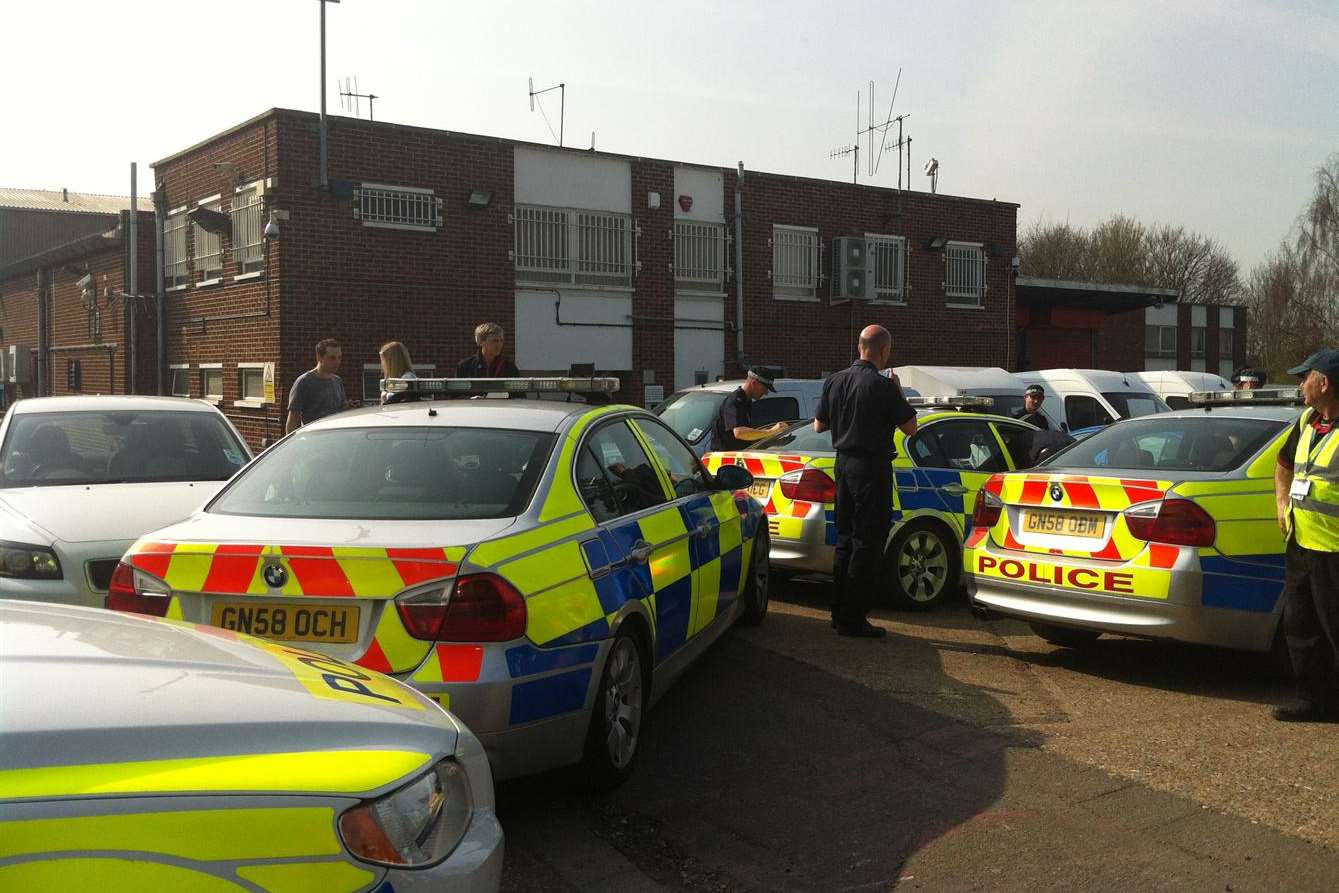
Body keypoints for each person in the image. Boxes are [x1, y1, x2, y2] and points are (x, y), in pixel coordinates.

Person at [814, 325, 918, 638]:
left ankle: (838, 612)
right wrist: (898, 392)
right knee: (868, 543)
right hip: (871, 470)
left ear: (860, 347)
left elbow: (819, 425)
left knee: (844, 539)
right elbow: (911, 427)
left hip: (842, 466)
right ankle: (854, 618)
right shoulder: (882, 386)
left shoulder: (834, 380)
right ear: (882, 350)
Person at [1273, 348, 1339, 722]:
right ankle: (1313, 701)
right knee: (1301, 628)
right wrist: (1282, 504)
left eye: (1304, 377)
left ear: (1324, 383)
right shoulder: (1307, 421)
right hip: (1301, 544)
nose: (1300, 385)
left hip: (1334, 548)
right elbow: (1283, 465)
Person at [710, 368, 787, 452]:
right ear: (754, 383)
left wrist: (772, 439)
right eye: (764, 388)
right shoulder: (734, 400)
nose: (766, 393)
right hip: (724, 459)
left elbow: (747, 433)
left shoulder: (746, 401)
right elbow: (739, 433)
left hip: (736, 456)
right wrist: (771, 431)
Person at [286, 338, 347, 434]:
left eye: (339, 357)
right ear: (319, 357)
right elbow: (292, 421)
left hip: (335, 438)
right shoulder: (304, 382)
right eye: (332, 358)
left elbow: (338, 412)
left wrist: (348, 408)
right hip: (313, 439)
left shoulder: (337, 381)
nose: (337, 362)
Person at [378, 341, 417, 405]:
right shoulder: (392, 380)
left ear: (392, 361)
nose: (382, 364)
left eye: (384, 360)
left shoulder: (407, 378)